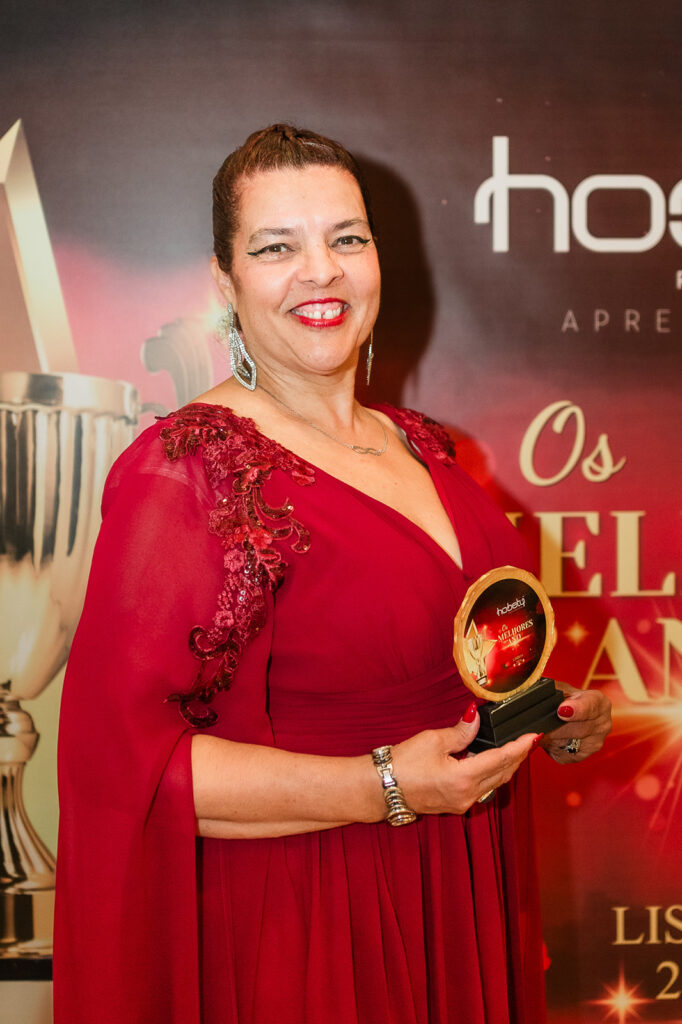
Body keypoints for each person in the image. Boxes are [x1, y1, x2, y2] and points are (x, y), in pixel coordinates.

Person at [54, 124, 611, 1024]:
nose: (321, 272)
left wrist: (552, 718)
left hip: (451, 892)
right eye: (277, 248)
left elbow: (442, 666)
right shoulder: (187, 469)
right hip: (309, 925)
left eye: (346, 238)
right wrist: (385, 785)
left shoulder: (424, 445)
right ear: (224, 282)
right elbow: (122, 767)